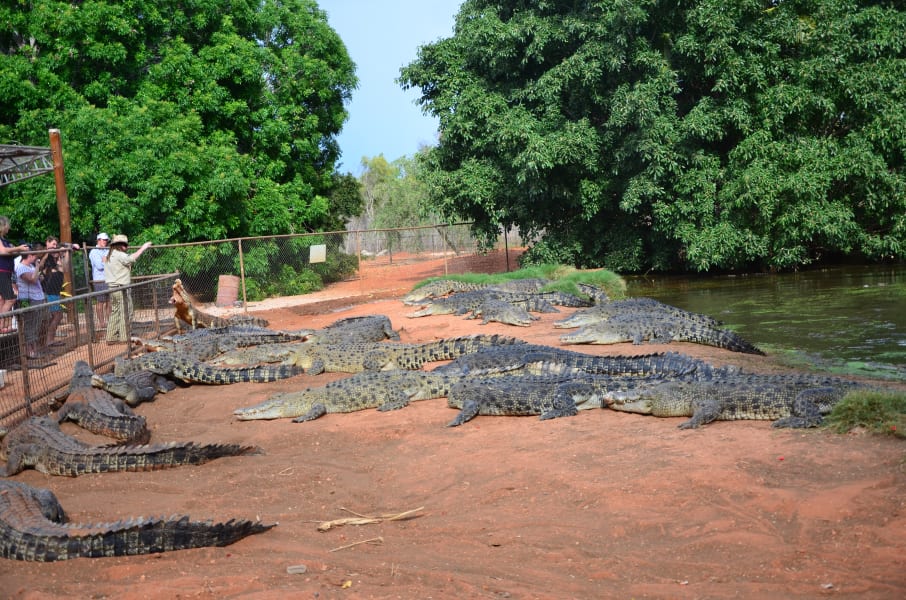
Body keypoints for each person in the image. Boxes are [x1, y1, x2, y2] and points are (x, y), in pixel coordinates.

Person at [104, 234, 152, 344]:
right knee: (127, 311)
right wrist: (143, 248)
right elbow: (131, 258)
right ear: (119, 245)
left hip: (112, 288)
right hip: (121, 288)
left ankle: (111, 337)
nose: (126, 246)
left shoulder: (110, 255)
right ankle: (124, 337)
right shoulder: (119, 255)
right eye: (124, 244)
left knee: (115, 311)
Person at [41, 235, 80, 348]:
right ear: (47, 243)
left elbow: (66, 269)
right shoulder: (46, 257)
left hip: (55, 293)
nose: (55, 248)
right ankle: (48, 340)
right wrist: (52, 251)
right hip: (49, 293)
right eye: (53, 244)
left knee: (57, 316)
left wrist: (66, 252)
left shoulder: (56, 261)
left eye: (56, 246)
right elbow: (42, 265)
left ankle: (50, 340)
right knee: (56, 316)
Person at [15, 247, 47, 359]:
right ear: (29, 256)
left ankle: (34, 348)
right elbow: (32, 279)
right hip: (25, 299)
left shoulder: (31, 266)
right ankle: (29, 350)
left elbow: (37, 278)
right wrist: (38, 267)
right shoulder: (21, 267)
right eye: (34, 256)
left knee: (36, 322)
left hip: (37, 297)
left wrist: (39, 274)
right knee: (29, 323)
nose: (35, 258)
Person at [0, 216, 31, 333]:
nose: (9, 228)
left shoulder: (5, 240)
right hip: (2, 272)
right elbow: (2, 251)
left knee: (4, 300)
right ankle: (2, 325)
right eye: (7, 225)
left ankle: (5, 326)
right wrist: (18, 248)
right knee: (10, 300)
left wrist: (18, 250)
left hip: (7, 272)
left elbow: (8, 252)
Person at [88, 232, 110, 329]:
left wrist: (105, 260)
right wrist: (106, 261)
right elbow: (99, 266)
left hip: (109, 278)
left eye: (106, 240)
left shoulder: (108, 250)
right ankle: (102, 323)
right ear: (98, 240)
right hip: (99, 280)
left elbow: (111, 263)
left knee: (109, 301)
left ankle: (110, 321)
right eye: (103, 240)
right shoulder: (93, 252)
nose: (105, 241)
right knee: (100, 302)